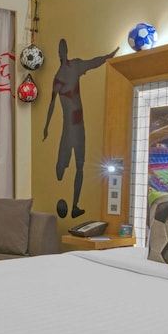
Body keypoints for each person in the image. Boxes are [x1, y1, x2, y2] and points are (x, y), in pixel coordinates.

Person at [42, 38, 118, 218]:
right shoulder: (58, 78)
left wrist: (108, 56)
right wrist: (46, 126)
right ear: (59, 53)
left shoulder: (75, 66)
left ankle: (75, 206)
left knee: (80, 165)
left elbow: (92, 63)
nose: (62, 51)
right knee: (60, 172)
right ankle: (62, 168)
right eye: (61, 49)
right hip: (68, 127)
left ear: (65, 50)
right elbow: (52, 104)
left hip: (79, 125)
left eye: (63, 48)